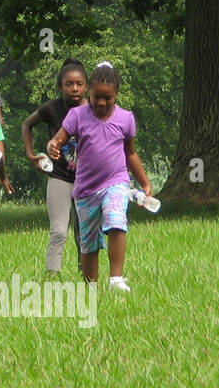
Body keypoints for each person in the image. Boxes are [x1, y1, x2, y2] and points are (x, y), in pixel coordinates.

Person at [45, 63, 149, 293]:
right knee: (89, 243)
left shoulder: (126, 119)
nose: (101, 103)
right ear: (89, 92)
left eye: (107, 99)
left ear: (116, 95)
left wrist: (145, 182)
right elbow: (59, 139)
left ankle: (116, 279)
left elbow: (130, 153)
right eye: (96, 97)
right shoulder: (77, 116)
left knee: (116, 219)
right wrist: (53, 145)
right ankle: (90, 289)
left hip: (116, 182)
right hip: (85, 190)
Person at [21, 60, 87, 273]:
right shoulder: (51, 108)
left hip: (87, 179)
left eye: (79, 84)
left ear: (86, 86)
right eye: (69, 84)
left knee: (83, 231)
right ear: (60, 86)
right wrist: (30, 153)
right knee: (58, 230)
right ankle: (53, 274)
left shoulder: (92, 109)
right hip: (59, 177)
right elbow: (27, 124)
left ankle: (86, 273)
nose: (74, 89)